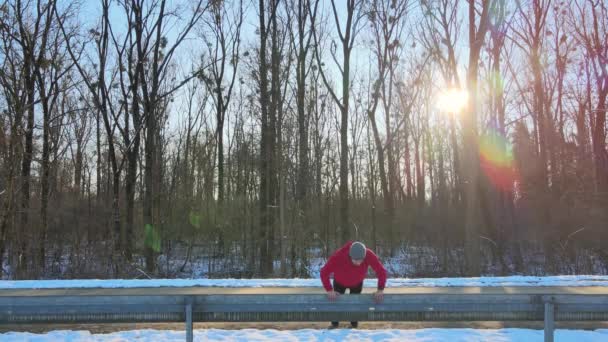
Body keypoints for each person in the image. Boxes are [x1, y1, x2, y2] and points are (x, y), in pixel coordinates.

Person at [320, 241, 387, 329]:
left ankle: (354, 325)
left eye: (361, 260)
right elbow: (324, 272)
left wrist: (380, 289)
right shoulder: (339, 256)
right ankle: (334, 324)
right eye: (355, 260)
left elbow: (381, 271)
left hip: (357, 283)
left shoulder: (368, 254)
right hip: (339, 282)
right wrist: (329, 290)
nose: (358, 263)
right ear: (350, 256)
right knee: (335, 302)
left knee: (355, 304)